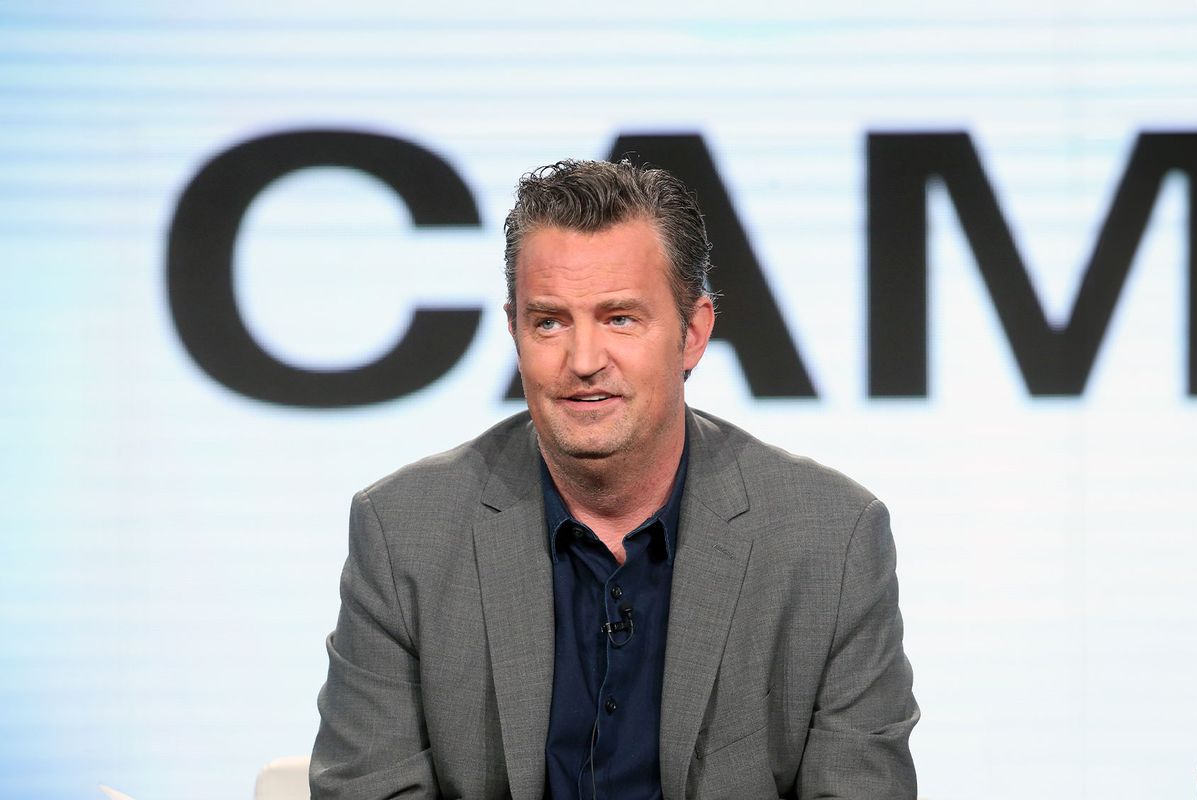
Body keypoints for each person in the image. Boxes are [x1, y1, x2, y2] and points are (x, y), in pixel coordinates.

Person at [310, 159, 919, 799]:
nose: (583, 361)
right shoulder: (405, 533)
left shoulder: (832, 540)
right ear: (514, 332)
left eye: (620, 319)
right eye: (550, 321)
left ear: (693, 334)